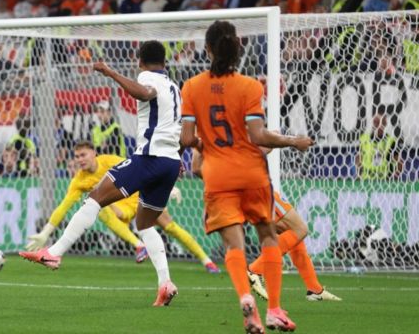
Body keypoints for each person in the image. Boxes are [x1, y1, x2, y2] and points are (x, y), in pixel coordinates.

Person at [21, 41, 183, 307]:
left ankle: (54, 252)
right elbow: (178, 126)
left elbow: (144, 93)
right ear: (164, 61)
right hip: (170, 162)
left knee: (95, 197)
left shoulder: (147, 77)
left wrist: (110, 72)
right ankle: (165, 283)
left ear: (140, 60)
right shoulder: (176, 87)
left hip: (150, 158)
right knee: (145, 224)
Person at [180, 20, 313, 332]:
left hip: (217, 175)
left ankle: (245, 297)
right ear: (238, 49)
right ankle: (275, 309)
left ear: (208, 48)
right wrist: (293, 141)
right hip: (252, 173)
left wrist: (206, 143)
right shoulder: (251, 86)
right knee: (267, 236)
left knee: (234, 246)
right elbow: (258, 135)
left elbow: (186, 139)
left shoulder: (192, 87)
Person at [26, 140, 220, 273]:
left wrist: (167, 187)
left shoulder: (109, 161)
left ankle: (207, 260)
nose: (80, 159)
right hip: (123, 210)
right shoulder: (79, 181)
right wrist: (45, 233)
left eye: (83, 154)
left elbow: (142, 171)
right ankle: (138, 246)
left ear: (94, 153)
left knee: (170, 227)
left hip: (143, 196)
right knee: (96, 207)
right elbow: (63, 207)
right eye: (76, 156)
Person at [191, 149, 341, 302]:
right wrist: (283, 140)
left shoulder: (205, 138)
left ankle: (314, 289)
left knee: (290, 231)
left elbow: (196, 168)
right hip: (256, 187)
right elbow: (260, 146)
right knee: (300, 229)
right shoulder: (235, 132)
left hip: (234, 194)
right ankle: (255, 270)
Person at [356, 109, 403, 180]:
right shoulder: (363, 139)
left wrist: (394, 178)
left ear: (385, 124)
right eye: (375, 122)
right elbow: (358, 159)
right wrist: (359, 176)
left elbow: (400, 162)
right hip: (366, 181)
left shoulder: (391, 141)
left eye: (379, 122)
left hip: (384, 183)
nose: (376, 125)